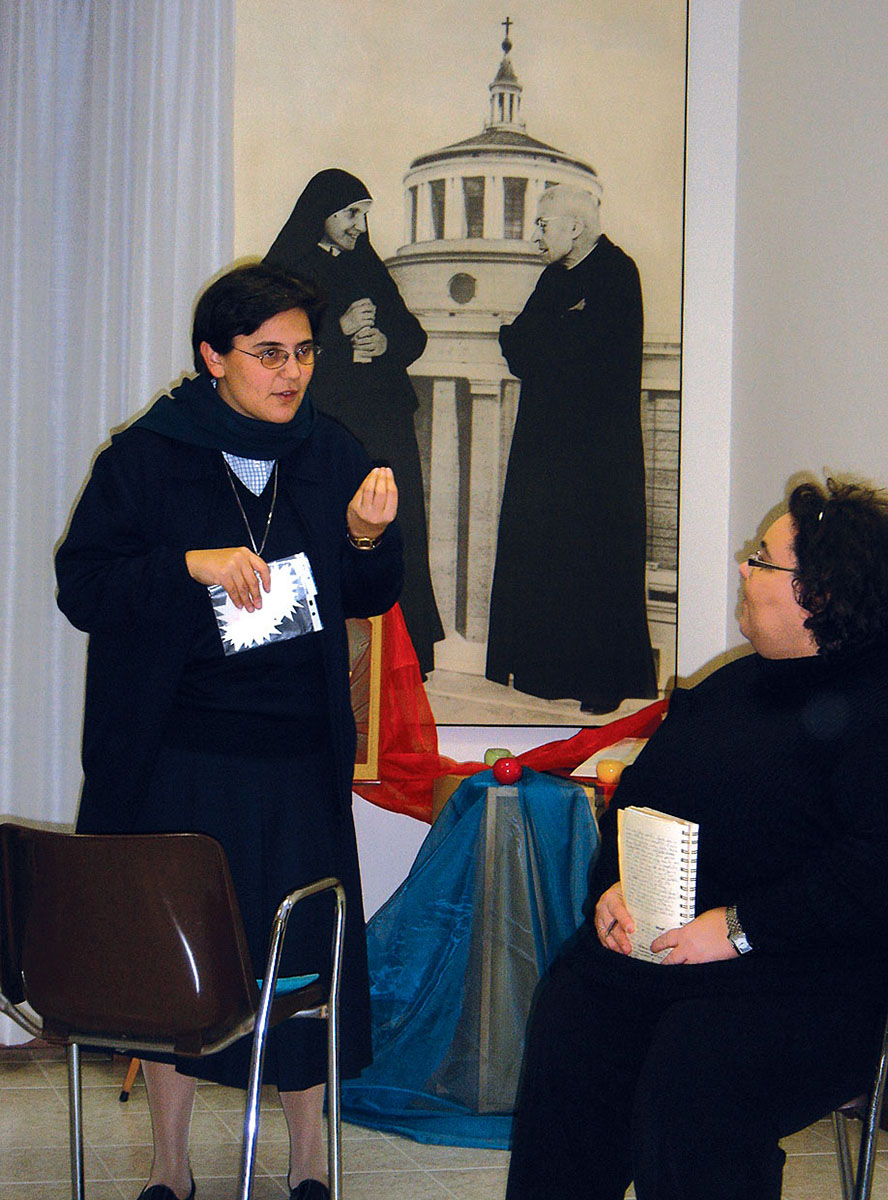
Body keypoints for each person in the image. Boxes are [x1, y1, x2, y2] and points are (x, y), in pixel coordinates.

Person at [55, 263, 404, 1200]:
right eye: (268, 354)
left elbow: (372, 594)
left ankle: (309, 1160)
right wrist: (188, 565)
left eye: (304, 354)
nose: (292, 373)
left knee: (300, 960)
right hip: (176, 753)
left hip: (295, 756)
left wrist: (367, 539)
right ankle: (169, 1166)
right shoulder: (146, 457)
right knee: (174, 963)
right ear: (214, 357)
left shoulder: (331, 451)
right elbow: (83, 587)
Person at [505, 476, 888, 1200]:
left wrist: (740, 928)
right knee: (576, 1011)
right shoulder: (729, 688)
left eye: (761, 559)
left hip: (811, 979)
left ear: (820, 593)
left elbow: (870, 871)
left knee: (696, 1070)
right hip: (682, 953)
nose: (743, 567)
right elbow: (636, 803)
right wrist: (614, 890)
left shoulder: (876, 706)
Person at [486, 183, 658, 713]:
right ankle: (544, 676)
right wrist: (554, 335)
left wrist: (547, 339)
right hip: (548, 448)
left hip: (597, 455)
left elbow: (582, 359)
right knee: (547, 554)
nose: (535, 236)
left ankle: (597, 685)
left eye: (542, 225)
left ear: (575, 226)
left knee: (591, 559)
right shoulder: (554, 276)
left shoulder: (617, 273)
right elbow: (521, 347)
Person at [265, 168, 444, 677]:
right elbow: (272, 356)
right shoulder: (287, 272)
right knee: (323, 534)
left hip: (383, 427)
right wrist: (339, 336)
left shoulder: (367, 264)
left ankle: (403, 661)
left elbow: (412, 336)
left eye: (364, 215)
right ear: (321, 213)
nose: (360, 226)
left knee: (396, 530)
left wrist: (384, 343)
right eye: (350, 214)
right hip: (322, 429)